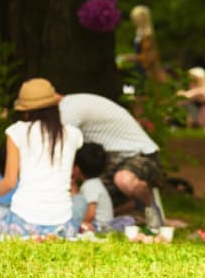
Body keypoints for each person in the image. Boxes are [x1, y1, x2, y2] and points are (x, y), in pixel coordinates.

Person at [0, 78, 85, 238]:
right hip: (63, 224)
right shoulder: (74, 134)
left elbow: (9, 182)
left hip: (22, 223)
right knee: (81, 201)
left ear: (26, 110)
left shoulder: (17, 132)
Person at [59, 93, 165, 230]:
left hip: (142, 154)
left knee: (123, 180)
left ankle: (149, 203)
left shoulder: (67, 111)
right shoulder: (70, 105)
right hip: (110, 163)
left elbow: (62, 152)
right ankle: (136, 207)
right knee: (104, 201)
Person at [72, 142, 115, 233]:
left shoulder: (90, 186)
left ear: (77, 169)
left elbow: (91, 214)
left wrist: (80, 225)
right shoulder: (94, 183)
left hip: (100, 227)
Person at [122, 5, 168, 84]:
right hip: (140, 69)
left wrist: (132, 57)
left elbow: (149, 56)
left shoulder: (147, 35)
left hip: (147, 71)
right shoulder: (139, 34)